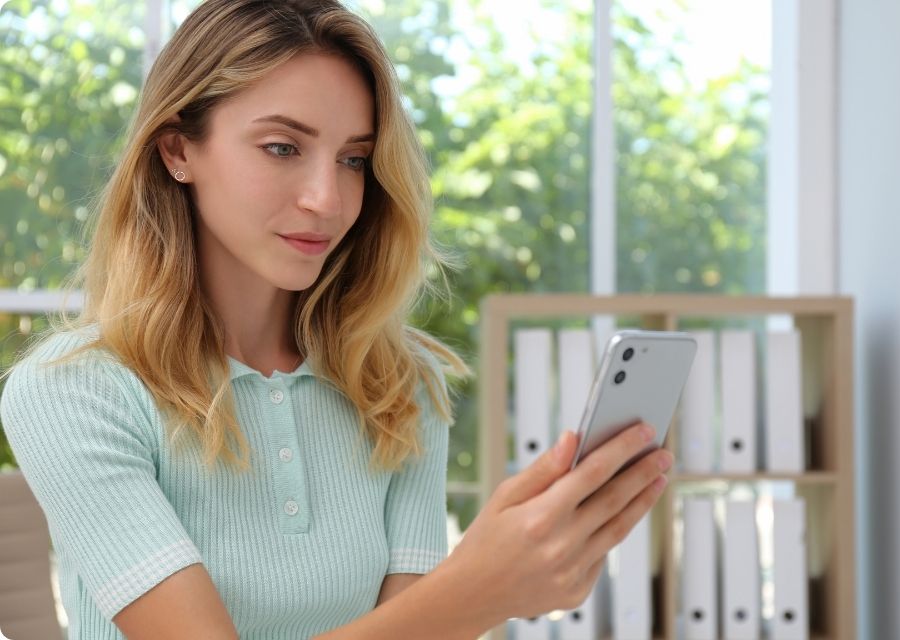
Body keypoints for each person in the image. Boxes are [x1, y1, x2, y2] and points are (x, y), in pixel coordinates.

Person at [0, 1, 673, 638]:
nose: (328, 198)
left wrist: (504, 581)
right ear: (178, 151)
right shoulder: (73, 392)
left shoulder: (396, 387)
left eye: (354, 159)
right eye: (282, 148)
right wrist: (479, 590)